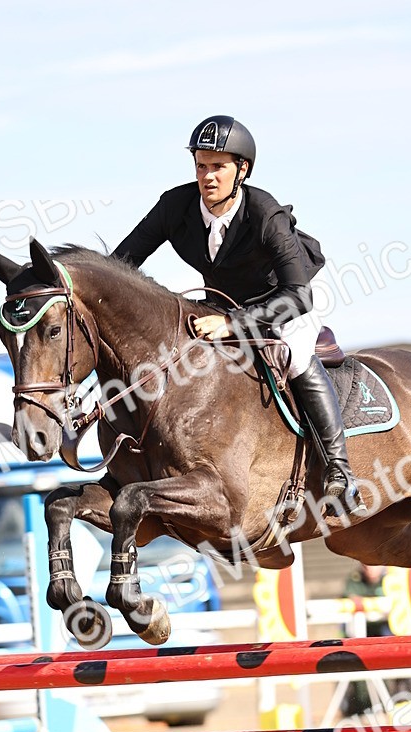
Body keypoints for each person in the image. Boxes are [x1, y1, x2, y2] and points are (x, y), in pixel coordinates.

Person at [111, 114, 366, 518]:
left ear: (241, 169)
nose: (207, 176)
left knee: (298, 357)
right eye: (201, 165)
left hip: (281, 304)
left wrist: (232, 324)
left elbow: (299, 296)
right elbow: (120, 267)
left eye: (218, 167)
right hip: (222, 304)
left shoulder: (264, 212)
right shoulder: (175, 205)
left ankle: (339, 470)